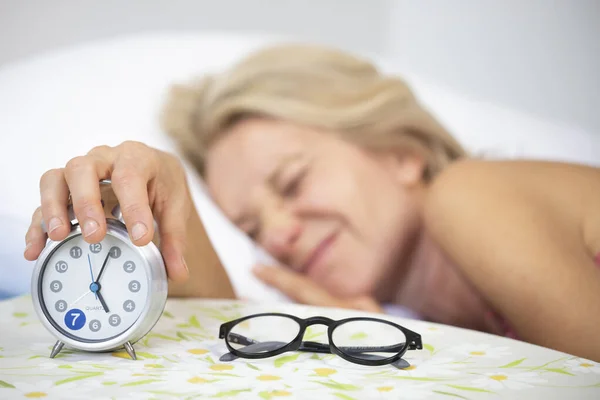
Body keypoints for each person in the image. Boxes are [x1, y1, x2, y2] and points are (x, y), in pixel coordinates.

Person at [23, 43, 600, 362]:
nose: (275, 235)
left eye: (293, 182)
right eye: (250, 226)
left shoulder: (472, 191)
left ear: (399, 150)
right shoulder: (419, 326)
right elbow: (215, 328)